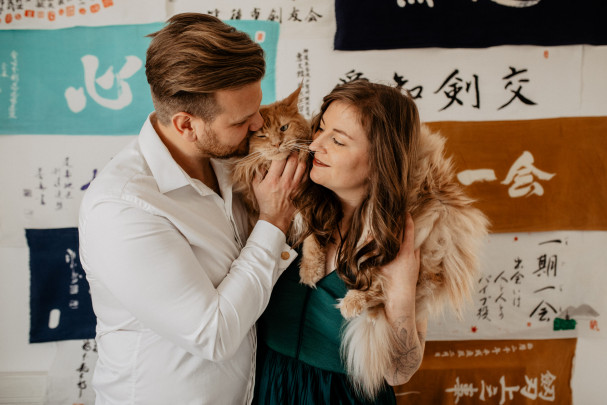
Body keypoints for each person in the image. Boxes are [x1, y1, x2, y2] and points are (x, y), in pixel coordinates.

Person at [78, 13, 305, 405]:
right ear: (186, 125)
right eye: (241, 120)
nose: (257, 125)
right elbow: (212, 335)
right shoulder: (122, 207)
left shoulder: (229, 159)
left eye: (257, 109)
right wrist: (274, 220)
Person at [254, 80, 427, 404]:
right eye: (319, 129)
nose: (315, 145)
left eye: (338, 140)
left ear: (380, 157)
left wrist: (402, 291)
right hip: (267, 385)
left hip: (345, 397)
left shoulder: (407, 237)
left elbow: (398, 373)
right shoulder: (281, 200)